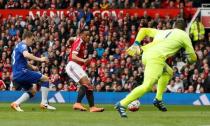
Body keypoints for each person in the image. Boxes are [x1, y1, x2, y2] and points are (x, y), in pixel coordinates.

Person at [115, 20, 197, 117]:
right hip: (156, 59)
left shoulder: (164, 31)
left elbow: (143, 30)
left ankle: (158, 99)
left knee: (168, 72)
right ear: (185, 28)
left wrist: (136, 43)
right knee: (147, 85)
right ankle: (122, 104)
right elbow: (193, 57)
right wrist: (188, 62)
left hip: (146, 54)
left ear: (174, 26)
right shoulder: (184, 35)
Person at [11, 31, 56, 112]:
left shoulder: (17, 46)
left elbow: (22, 60)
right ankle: (44, 103)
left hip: (16, 75)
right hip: (22, 72)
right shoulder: (23, 45)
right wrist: (40, 59)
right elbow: (26, 55)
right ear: (27, 38)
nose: (32, 42)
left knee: (32, 91)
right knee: (45, 79)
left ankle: (16, 103)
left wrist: (32, 66)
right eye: (32, 39)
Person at [65, 30, 104, 112]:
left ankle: (92, 107)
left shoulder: (81, 42)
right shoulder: (79, 41)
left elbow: (72, 39)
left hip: (76, 66)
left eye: (89, 35)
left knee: (89, 85)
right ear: (82, 35)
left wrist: (69, 42)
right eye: (86, 35)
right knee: (86, 83)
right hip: (72, 65)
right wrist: (84, 60)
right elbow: (73, 56)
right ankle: (77, 103)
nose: (88, 37)